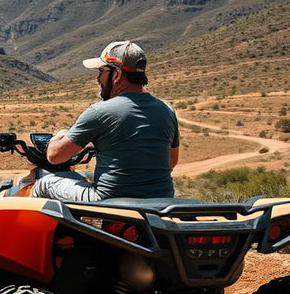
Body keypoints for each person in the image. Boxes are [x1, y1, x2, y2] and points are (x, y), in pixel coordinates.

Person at [32, 40, 180, 202]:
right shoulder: (167, 111)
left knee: (45, 183)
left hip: (108, 200)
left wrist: (59, 136)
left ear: (116, 74)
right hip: (162, 200)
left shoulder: (99, 112)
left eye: (101, 71)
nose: (97, 78)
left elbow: (55, 156)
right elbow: (171, 162)